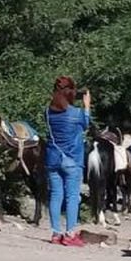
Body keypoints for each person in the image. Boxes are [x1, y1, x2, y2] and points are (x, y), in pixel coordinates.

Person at [44, 76, 91, 247]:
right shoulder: (76, 114)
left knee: (56, 195)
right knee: (72, 196)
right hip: (72, 160)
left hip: (52, 159)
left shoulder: (47, 113)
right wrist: (86, 106)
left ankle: (56, 233)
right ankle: (71, 234)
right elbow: (86, 124)